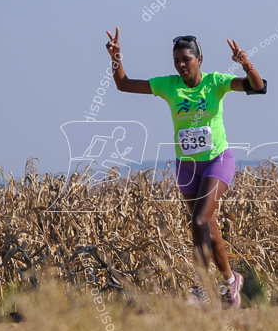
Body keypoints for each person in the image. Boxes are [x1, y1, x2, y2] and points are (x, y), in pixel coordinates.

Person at [105, 27, 267, 308]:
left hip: (218, 161)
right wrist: (116, 57)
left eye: (186, 59)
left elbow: (258, 86)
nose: (180, 64)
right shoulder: (168, 85)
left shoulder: (216, 82)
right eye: (176, 60)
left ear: (199, 59)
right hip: (187, 167)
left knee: (199, 221)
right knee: (209, 229)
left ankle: (201, 288)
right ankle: (231, 282)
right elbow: (124, 85)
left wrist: (246, 64)